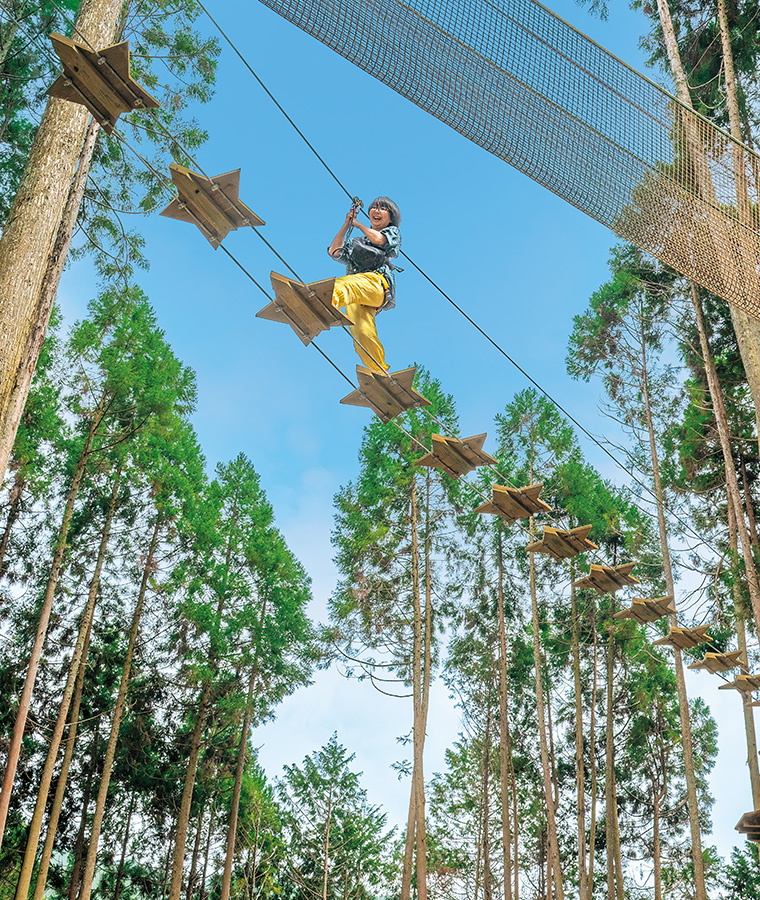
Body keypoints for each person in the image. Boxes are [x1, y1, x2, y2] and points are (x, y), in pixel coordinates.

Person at [328, 197, 401, 374]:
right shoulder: (356, 242)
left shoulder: (392, 232)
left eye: (383, 209)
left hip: (377, 283)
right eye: (374, 208)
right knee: (362, 333)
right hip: (357, 295)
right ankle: (380, 371)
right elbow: (334, 252)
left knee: (345, 285)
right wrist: (347, 224)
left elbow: (379, 240)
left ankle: (323, 301)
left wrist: (359, 225)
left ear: (390, 217)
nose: (376, 211)